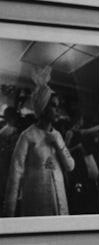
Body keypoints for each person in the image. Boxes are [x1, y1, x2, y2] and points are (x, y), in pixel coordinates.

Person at [3, 68, 75, 218]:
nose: (58, 110)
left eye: (58, 106)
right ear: (43, 108)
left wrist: (58, 144)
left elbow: (70, 166)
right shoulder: (28, 136)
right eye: (53, 106)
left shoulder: (58, 135)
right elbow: (14, 177)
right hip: (36, 203)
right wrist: (8, 216)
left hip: (60, 203)